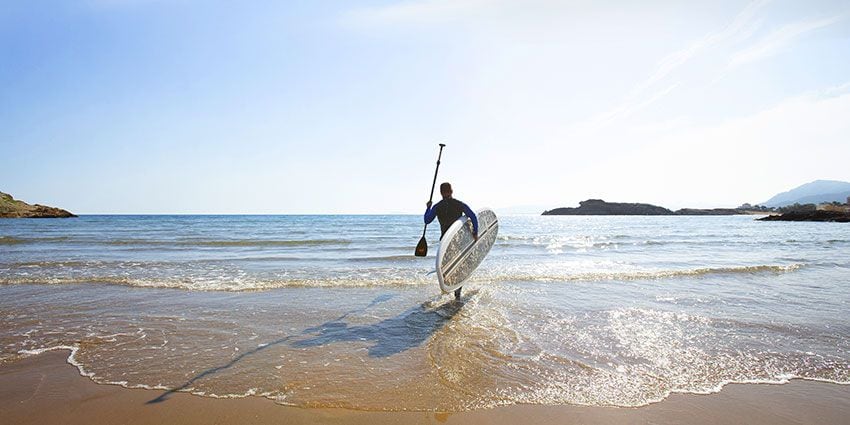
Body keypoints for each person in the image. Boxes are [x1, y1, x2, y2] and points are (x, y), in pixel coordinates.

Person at [424, 182, 478, 299]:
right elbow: (473, 216)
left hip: (445, 242)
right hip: (458, 241)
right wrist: (475, 232)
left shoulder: (437, 207)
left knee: (449, 266)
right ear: (452, 191)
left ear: (441, 192)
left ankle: (449, 287)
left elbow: (427, 220)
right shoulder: (459, 204)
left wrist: (428, 208)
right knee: (460, 266)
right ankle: (457, 292)